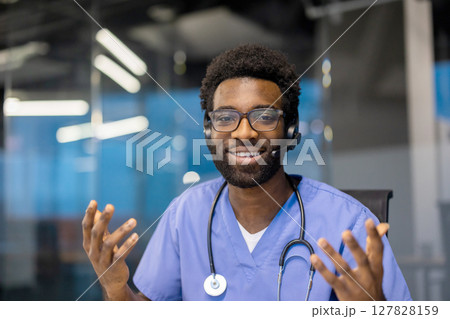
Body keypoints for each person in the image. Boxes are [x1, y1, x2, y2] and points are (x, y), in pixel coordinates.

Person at [82, 44, 412, 301]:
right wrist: (115, 289)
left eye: (264, 116)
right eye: (226, 118)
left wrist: (376, 309)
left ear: (292, 129)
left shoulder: (348, 223)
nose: (243, 133)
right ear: (209, 132)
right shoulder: (186, 214)